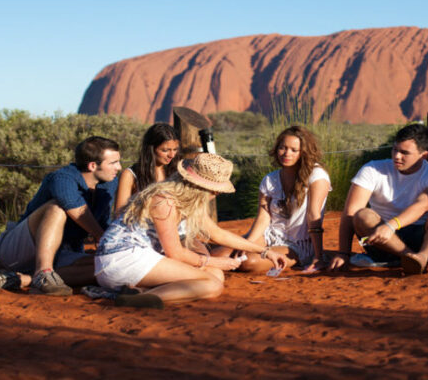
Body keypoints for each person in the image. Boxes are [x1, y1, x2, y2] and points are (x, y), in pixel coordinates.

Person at [94, 153, 288, 308]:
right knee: (212, 284)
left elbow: (218, 234)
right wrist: (216, 261)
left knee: (216, 275)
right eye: (214, 190)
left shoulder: (186, 201)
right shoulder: (165, 201)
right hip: (122, 259)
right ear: (200, 186)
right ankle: (139, 298)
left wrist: (264, 251)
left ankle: (137, 292)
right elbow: (175, 253)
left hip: (137, 258)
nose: (217, 194)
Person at [0, 136, 122, 296]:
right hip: (19, 248)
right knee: (57, 207)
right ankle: (44, 273)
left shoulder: (109, 183)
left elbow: (102, 220)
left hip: (62, 252)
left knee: (109, 268)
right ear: (92, 166)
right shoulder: (62, 178)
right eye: (113, 163)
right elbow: (77, 210)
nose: (118, 167)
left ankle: (22, 280)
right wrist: (103, 238)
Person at [328, 124, 428, 275]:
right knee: (362, 216)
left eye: (404, 153)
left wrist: (391, 226)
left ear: (424, 155)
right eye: (395, 149)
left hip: (424, 238)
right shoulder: (372, 169)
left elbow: (423, 204)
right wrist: (343, 253)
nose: (397, 156)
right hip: (381, 242)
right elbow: (351, 213)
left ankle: (423, 255)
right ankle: (414, 259)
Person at [214, 125, 331, 273]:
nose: (286, 153)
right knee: (218, 255)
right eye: (283, 148)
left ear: (304, 153)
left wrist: (318, 256)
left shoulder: (317, 176)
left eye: (294, 150)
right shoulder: (270, 179)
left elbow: (314, 215)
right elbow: (263, 218)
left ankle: (307, 256)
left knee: (249, 262)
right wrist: (248, 243)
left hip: (298, 244)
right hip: (269, 235)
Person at [115, 123, 180, 213]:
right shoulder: (130, 175)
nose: (172, 155)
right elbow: (119, 213)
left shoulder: (177, 172)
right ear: (151, 148)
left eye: (175, 149)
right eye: (165, 150)